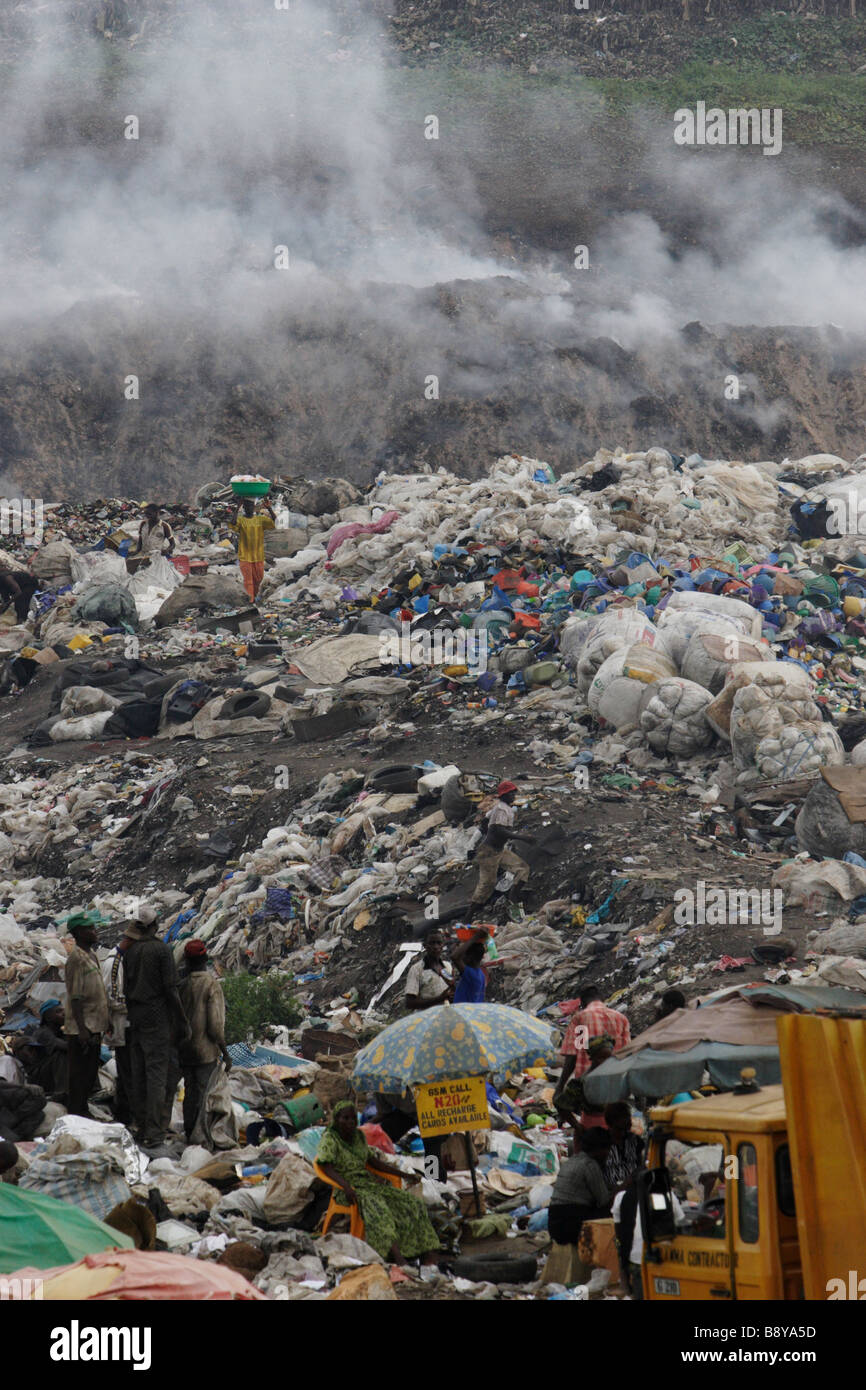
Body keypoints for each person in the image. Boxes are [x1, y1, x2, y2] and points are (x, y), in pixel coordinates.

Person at [316, 1100, 441, 1263]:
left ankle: (424, 1250)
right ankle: (397, 1256)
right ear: (336, 1119)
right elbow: (325, 1166)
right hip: (348, 1189)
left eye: (353, 1118)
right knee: (379, 1209)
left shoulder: (359, 1136)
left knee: (410, 1202)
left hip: (368, 1185)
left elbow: (373, 1162)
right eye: (345, 1118)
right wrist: (346, 1186)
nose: (350, 1122)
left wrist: (404, 1175)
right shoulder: (330, 1139)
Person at [124, 909, 189, 1152]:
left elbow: (127, 988)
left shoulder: (131, 952)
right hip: (156, 1019)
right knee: (156, 1077)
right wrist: (182, 1021)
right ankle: (154, 1132)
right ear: (156, 925)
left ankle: (141, 1127)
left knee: (139, 1074)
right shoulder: (161, 950)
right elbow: (170, 990)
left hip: (136, 1018)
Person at [177, 939, 231, 1148]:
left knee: (190, 1093)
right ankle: (202, 1138)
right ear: (205, 959)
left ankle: (190, 1132)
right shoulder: (211, 985)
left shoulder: (182, 985)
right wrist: (225, 1052)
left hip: (185, 1048)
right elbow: (215, 1026)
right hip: (205, 1050)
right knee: (205, 1095)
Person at [63, 914, 110, 1118]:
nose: (94, 931)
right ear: (79, 933)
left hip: (95, 1025)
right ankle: (77, 1112)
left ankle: (82, 1110)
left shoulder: (91, 954)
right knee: (80, 1075)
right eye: (89, 929)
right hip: (82, 1028)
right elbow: (75, 997)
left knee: (90, 1073)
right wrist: (82, 1029)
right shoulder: (76, 959)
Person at [555, 986, 631, 1100]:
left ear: (583, 1002)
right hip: (615, 1084)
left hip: (588, 1085)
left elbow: (573, 1055)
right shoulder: (621, 1018)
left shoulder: (580, 1018)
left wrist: (560, 1087)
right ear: (602, 999)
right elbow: (627, 1054)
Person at [604, 1101, 645, 1295]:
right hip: (611, 1194)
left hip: (631, 1192)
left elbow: (641, 1166)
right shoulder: (602, 1144)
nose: (625, 1131)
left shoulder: (635, 1142)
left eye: (627, 1126)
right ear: (610, 1125)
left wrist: (629, 1183)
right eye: (620, 1128)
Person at [547, 1126, 612, 1247]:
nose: (608, 1154)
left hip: (554, 1222)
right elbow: (604, 1201)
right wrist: (625, 1185)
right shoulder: (590, 1165)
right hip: (570, 1224)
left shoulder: (571, 1161)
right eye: (607, 1149)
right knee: (611, 1211)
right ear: (599, 1149)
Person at [470, 781, 531, 905]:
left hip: (499, 850)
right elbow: (499, 830)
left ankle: (512, 898)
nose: (513, 796)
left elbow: (486, 821)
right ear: (504, 795)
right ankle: (468, 917)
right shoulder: (501, 809)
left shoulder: (503, 808)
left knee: (523, 869)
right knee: (487, 885)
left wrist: (486, 832)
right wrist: (522, 838)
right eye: (511, 793)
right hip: (489, 852)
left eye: (514, 793)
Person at [101, 938, 133, 1126]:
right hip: (120, 1024)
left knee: (127, 1068)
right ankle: (124, 1114)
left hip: (123, 1023)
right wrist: (134, 1006)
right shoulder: (114, 962)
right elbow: (112, 996)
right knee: (125, 1069)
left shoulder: (121, 960)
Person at [554, 1034, 614, 1132]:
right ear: (592, 1058)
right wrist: (577, 1126)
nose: (605, 1062)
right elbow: (560, 1105)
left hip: (612, 1128)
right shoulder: (582, 1082)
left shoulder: (612, 1076)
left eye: (609, 1058)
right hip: (591, 1130)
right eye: (601, 1058)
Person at [228, 496, 275, 601]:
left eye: (251, 506)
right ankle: (250, 601)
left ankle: (254, 598)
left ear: (254, 507)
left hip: (258, 555)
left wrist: (269, 508)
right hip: (245, 555)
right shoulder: (241, 520)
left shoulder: (260, 519)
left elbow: (275, 520)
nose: (249, 508)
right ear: (244, 507)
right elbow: (232, 523)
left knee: (258, 579)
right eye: (247, 506)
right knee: (248, 581)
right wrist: (237, 507)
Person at [404, 930, 453, 1011]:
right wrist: (439, 999)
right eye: (432, 943)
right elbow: (409, 1003)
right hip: (426, 1018)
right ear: (425, 946)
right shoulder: (416, 969)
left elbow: (451, 991)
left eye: (439, 943)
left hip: (445, 1016)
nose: (435, 947)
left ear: (443, 945)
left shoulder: (447, 966)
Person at [0, 559, 38, 624]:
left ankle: (21, 621)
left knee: (21, 602)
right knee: (13, 604)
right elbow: (6, 599)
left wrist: (7, 603)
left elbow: (18, 592)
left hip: (29, 583)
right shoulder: (1, 585)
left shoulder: (6, 578)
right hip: (20, 586)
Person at [452, 939, 487, 1004]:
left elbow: (454, 957)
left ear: (470, 957)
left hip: (462, 1012)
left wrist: (476, 937)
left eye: (463, 954)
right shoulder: (481, 975)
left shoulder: (471, 974)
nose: (461, 957)